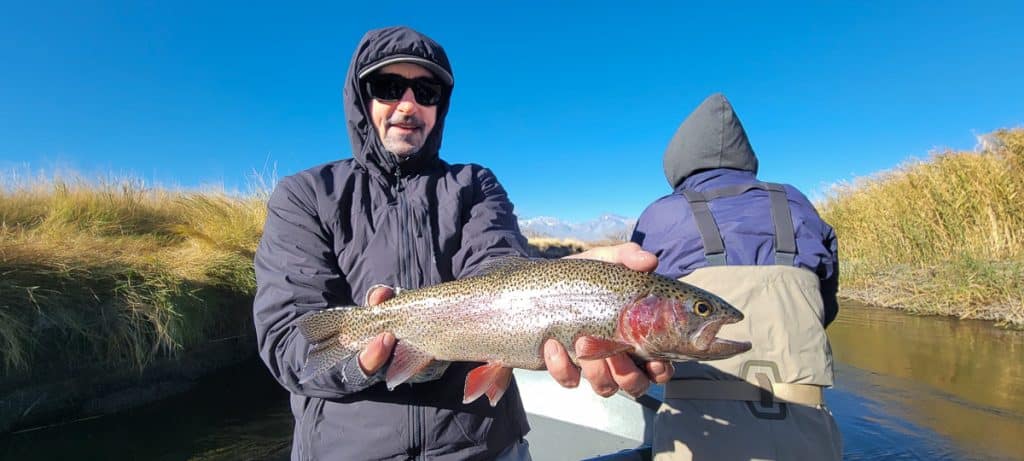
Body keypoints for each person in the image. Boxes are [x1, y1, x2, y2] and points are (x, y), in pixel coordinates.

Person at [253, 26, 672, 461]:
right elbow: (288, 343)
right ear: (362, 98)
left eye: (426, 92)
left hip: (483, 447)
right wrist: (363, 363)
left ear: (441, 106)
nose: (408, 105)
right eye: (389, 87)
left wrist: (567, 284)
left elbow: (498, 266)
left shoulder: (475, 184)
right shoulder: (304, 194)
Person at [631, 93, 843, 460]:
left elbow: (636, 309)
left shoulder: (660, 215)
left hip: (699, 429)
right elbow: (826, 308)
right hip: (808, 425)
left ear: (676, 161)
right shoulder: (796, 203)